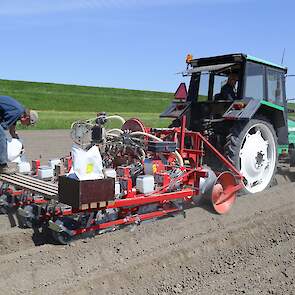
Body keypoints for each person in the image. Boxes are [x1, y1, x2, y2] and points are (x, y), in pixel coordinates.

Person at [0, 96, 38, 174]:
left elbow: (12, 131)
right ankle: (2, 167)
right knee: (2, 136)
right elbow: (3, 129)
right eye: (28, 124)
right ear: (26, 118)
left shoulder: (19, 112)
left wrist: (20, 144)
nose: (26, 126)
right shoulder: (16, 113)